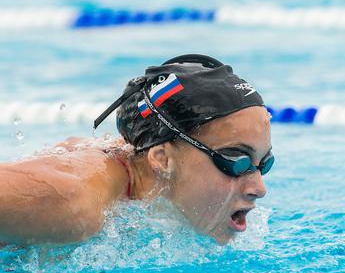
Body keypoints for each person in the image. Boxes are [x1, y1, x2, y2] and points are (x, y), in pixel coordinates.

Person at [0, 54, 274, 246]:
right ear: (162, 158)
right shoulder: (74, 204)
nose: (258, 188)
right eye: (235, 160)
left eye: (264, 163)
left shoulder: (136, 172)